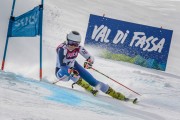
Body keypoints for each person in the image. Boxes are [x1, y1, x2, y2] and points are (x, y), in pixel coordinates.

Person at [55, 31, 129, 101]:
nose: (73, 46)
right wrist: (71, 70)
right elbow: (62, 65)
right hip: (61, 72)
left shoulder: (79, 48)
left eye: (76, 44)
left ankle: (116, 94)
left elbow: (90, 58)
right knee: (72, 73)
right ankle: (89, 89)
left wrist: (89, 63)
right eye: (71, 43)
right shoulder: (62, 49)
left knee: (94, 82)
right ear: (67, 40)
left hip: (74, 66)